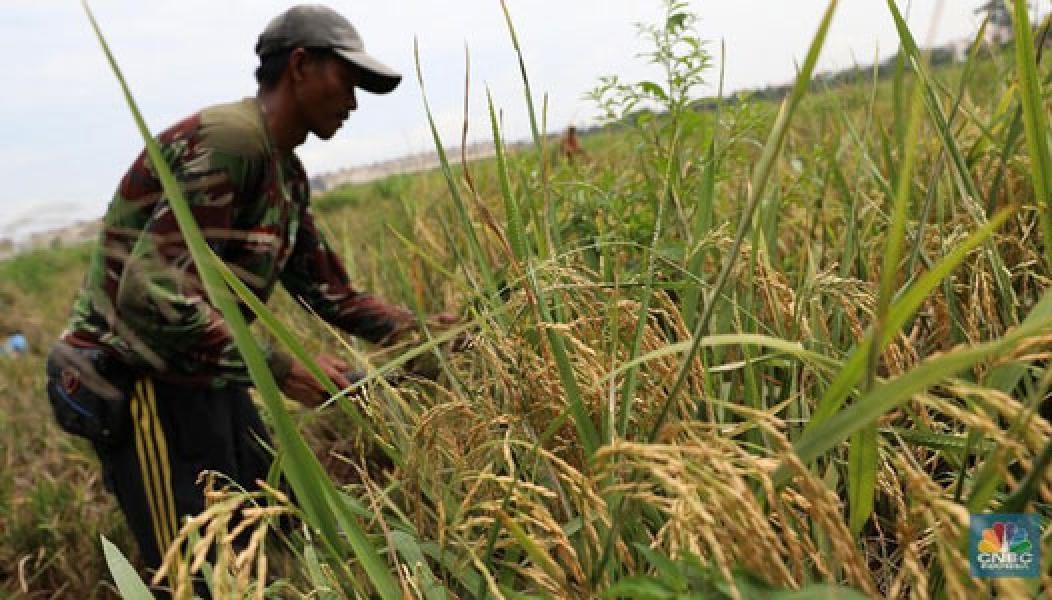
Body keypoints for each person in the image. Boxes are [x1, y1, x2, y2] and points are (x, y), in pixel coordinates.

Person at [45, 4, 450, 592]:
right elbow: (150, 295)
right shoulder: (230, 144)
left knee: (273, 526)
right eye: (348, 81)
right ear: (302, 66)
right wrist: (281, 367)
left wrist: (422, 331)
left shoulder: (286, 175)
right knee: (196, 572)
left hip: (210, 375)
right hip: (142, 386)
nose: (355, 103)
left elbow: (328, 292)